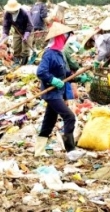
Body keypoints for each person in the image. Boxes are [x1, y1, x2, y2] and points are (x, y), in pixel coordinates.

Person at [35, 22, 77, 156]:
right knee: (69, 117)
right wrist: (52, 80)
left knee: (49, 120)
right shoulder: (49, 54)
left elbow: (65, 74)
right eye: (64, 37)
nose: (65, 39)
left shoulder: (60, 53)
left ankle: (39, 150)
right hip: (52, 93)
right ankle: (71, 151)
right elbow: (41, 72)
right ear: (59, 38)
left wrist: (78, 78)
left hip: (58, 93)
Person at [1, 0, 34, 66]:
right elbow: (6, 25)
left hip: (27, 30)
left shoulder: (24, 12)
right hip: (17, 30)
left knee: (25, 46)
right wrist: (5, 33)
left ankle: (23, 63)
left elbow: (30, 24)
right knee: (16, 45)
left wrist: (26, 34)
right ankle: (16, 61)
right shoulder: (7, 14)